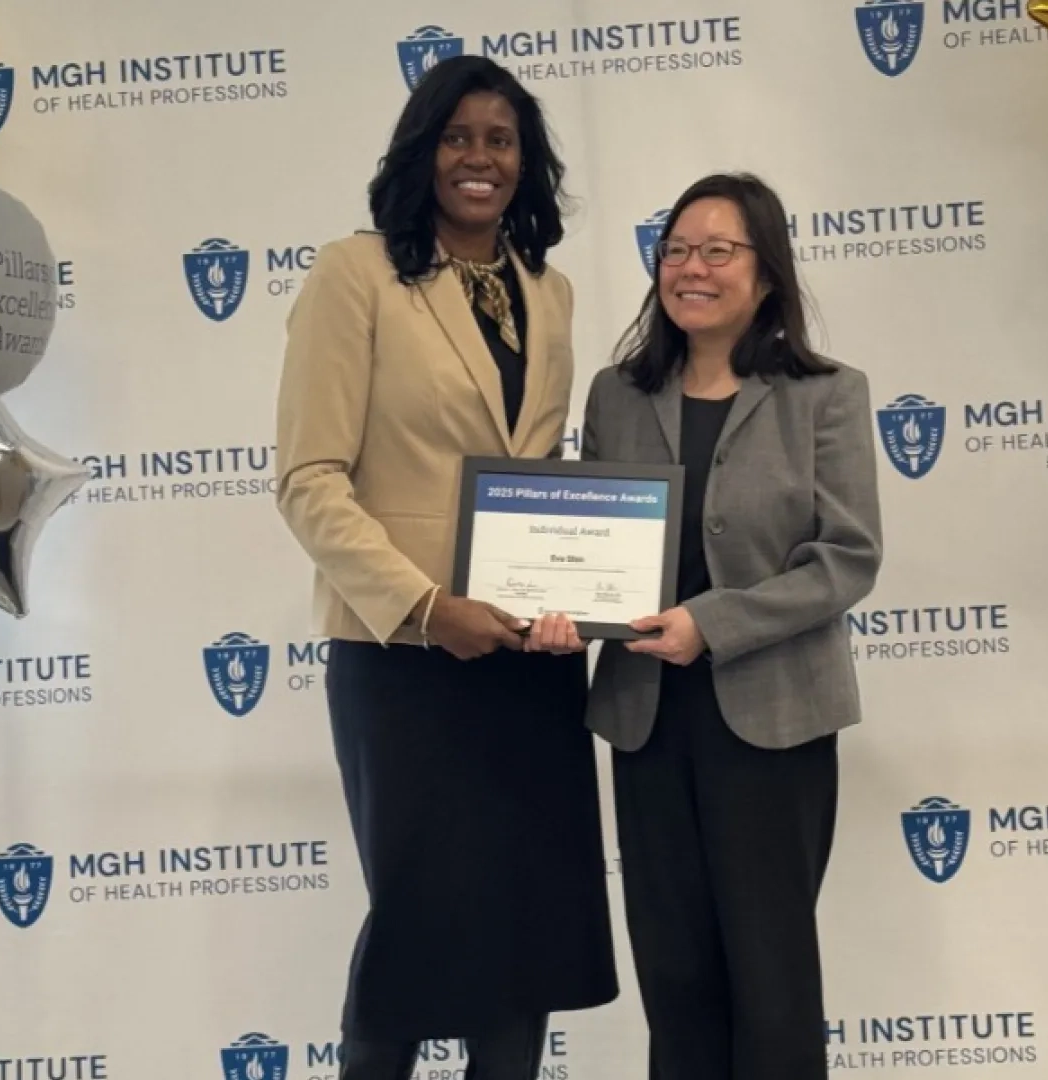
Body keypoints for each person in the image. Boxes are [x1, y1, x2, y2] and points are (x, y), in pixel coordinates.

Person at [274, 56, 616, 1080]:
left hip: (530, 662)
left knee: (526, 935)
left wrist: (579, 596)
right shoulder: (357, 275)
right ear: (422, 153)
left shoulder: (547, 293)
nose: (481, 158)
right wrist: (427, 607)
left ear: (527, 161)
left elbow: (539, 473)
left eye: (501, 140)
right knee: (422, 928)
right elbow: (308, 480)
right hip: (406, 660)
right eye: (459, 137)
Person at [529, 173, 884, 1080]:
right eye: (676, 251)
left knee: (771, 982)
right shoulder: (616, 394)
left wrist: (710, 624)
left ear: (766, 275)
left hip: (772, 725)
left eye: (717, 251)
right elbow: (591, 541)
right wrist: (561, 606)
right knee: (674, 974)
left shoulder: (826, 394)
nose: (692, 268)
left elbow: (846, 557)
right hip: (647, 722)